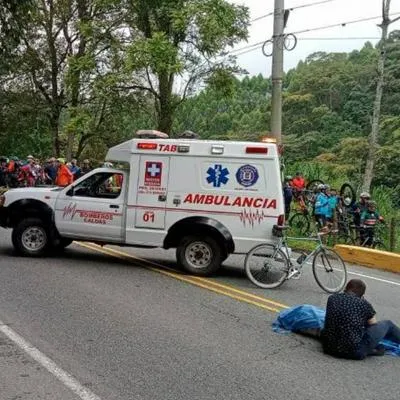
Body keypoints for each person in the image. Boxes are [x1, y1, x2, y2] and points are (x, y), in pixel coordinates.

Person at [321, 279, 400, 360]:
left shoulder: (332, 298)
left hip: (328, 348)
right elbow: (373, 324)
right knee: (388, 324)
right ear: (362, 295)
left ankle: (373, 350)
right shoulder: (364, 304)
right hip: (354, 352)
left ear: (346, 288)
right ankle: (370, 350)